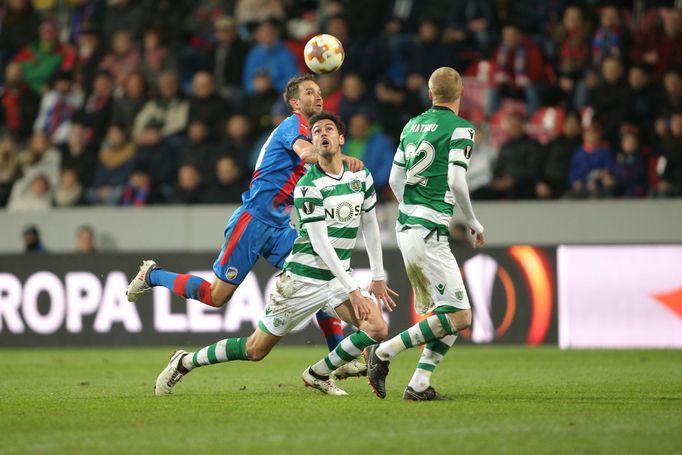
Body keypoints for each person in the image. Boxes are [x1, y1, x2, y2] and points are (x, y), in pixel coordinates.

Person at [153, 112, 396, 397]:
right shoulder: (308, 186)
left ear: (342, 138)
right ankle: (185, 361)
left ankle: (317, 372)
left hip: (336, 278)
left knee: (377, 327)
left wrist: (377, 276)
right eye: (316, 131)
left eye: (329, 129)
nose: (323, 134)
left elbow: (369, 224)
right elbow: (320, 244)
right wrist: (354, 290)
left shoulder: (360, 175)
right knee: (255, 350)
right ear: (312, 143)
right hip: (303, 278)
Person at [126, 74, 363, 353]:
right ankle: (153, 275)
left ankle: (339, 355)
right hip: (252, 222)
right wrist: (339, 157)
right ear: (295, 103)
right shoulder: (293, 126)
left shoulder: (313, 134)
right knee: (215, 297)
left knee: (319, 276)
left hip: (280, 228)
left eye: (320, 91)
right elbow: (305, 154)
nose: (319, 96)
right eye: (310, 92)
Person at [365, 67, 485, 401]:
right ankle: (384, 352)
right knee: (459, 315)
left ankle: (419, 384)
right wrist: (473, 221)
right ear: (460, 93)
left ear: (430, 94)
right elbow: (457, 181)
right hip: (428, 230)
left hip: (408, 226)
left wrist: (412, 207)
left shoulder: (412, 125)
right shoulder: (461, 129)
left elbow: (393, 180)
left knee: (450, 313)